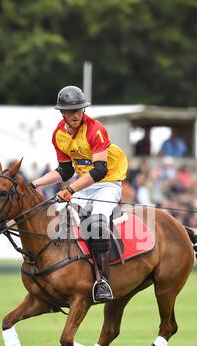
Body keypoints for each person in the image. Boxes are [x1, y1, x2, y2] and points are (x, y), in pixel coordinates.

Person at [31, 85, 128, 302]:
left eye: (79, 110)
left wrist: (70, 190)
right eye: (70, 111)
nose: (75, 114)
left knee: (96, 223)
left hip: (108, 182)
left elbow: (100, 170)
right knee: (57, 217)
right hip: (84, 183)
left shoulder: (96, 129)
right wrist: (34, 184)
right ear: (62, 112)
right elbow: (65, 170)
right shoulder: (59, 135)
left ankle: (103, 282)